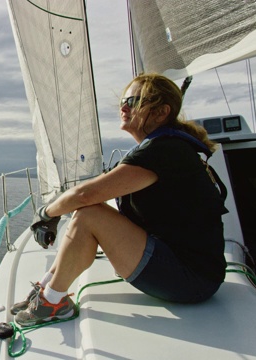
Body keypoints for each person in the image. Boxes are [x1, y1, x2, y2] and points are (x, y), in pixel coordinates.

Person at [12, 73, 227, 327]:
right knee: (89, 211)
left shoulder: (164, 151)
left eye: (134, 101)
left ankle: (54, 303)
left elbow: (85, 194)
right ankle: (49, 289)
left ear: (161, 112)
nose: (124, 107)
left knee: (90, 212)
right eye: (123, 101)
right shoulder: (165, 147)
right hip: (187, 270)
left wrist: (46, 213)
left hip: (192, 280)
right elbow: (92, 195)